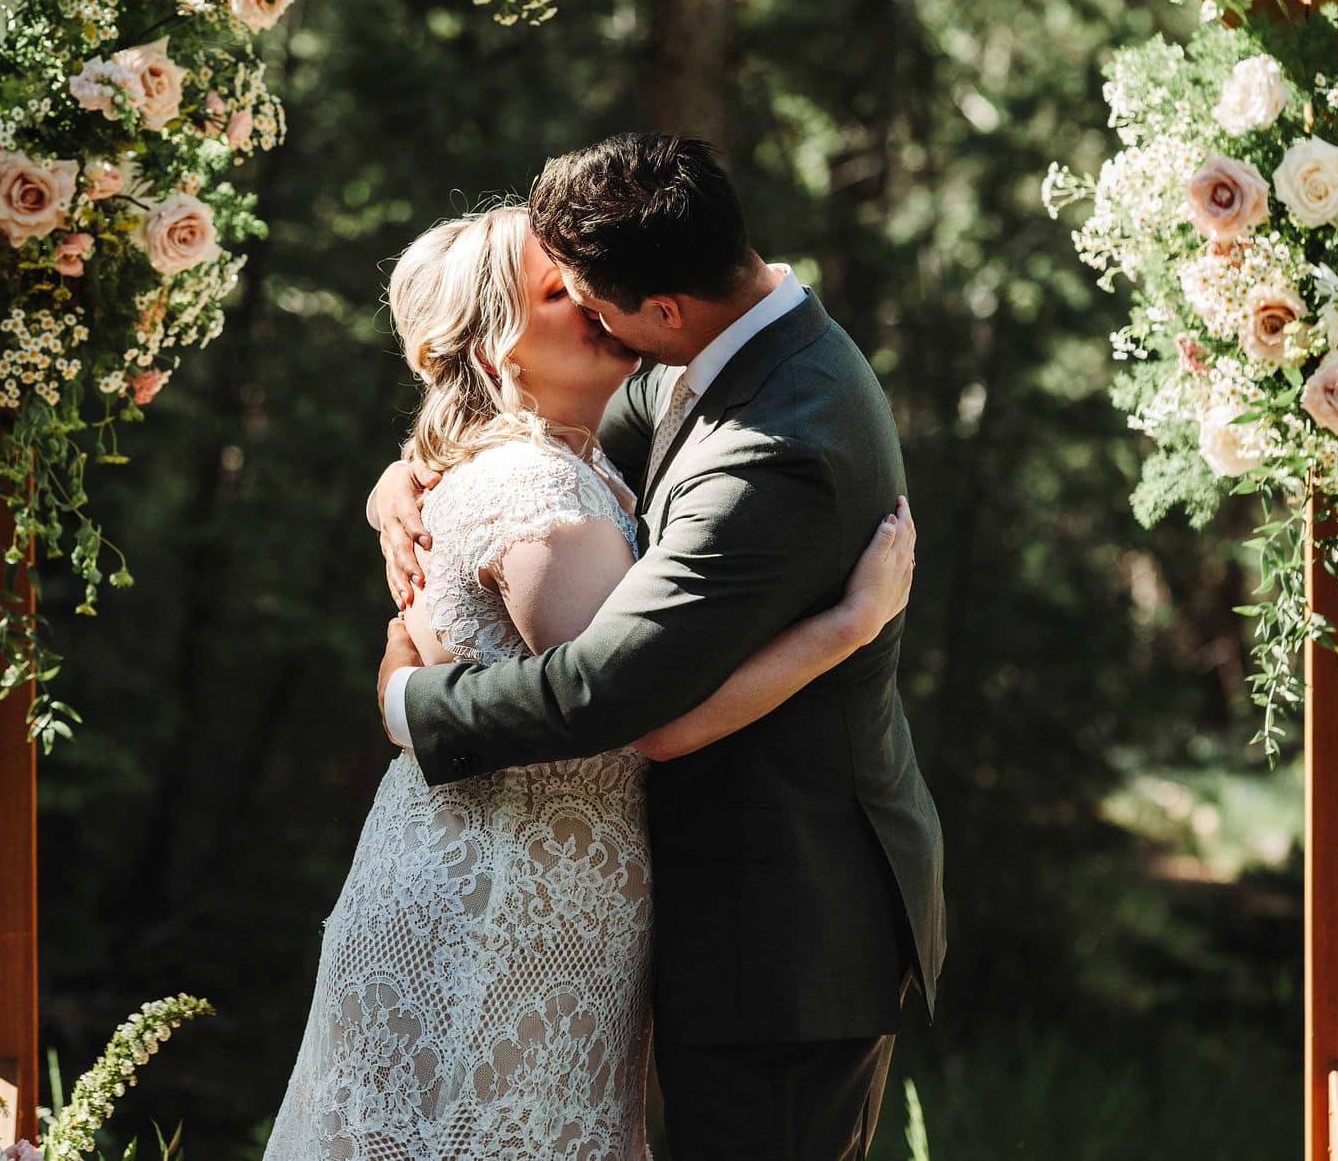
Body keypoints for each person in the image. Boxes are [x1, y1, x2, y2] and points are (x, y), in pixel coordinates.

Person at [264, 196, 919, 1160]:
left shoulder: (592, 444)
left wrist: (399, 478)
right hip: (509, 899)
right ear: (498, 348)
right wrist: (851, 627)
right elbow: (635, 709)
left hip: (536, 884)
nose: (592, 298)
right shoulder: (540, 493)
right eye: (558, 291)